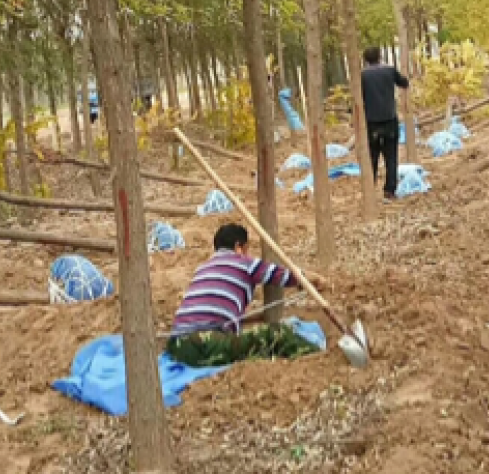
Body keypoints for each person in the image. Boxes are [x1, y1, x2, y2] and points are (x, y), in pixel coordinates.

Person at [170, 223, 324, 338]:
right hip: (210, 341)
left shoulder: (202, 268)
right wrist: (317, 279)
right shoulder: (245, 263)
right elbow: (287, 276)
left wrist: (258, 316)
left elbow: (216, 312)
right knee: (277, 339)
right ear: (239, 247)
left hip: (177, 341)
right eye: (247, 248)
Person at [361, 46, 409, 201]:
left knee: (372, 157)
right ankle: (389, 191)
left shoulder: (362, 75)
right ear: (380, 56)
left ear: (365, 59)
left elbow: (357, 97)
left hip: (371, 122)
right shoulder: (389, 71)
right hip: (389, 119)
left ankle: (370, 190)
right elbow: (403, 83)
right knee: (391, 157)